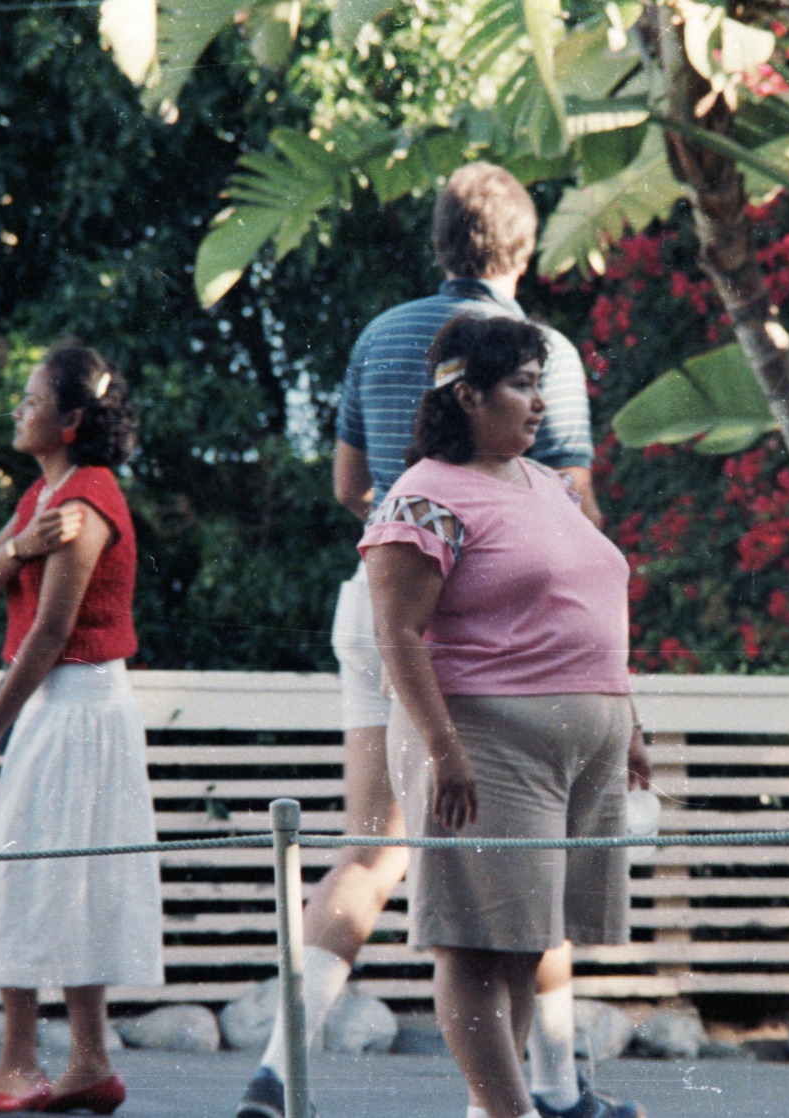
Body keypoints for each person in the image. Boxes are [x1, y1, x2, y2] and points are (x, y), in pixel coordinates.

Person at [237, 162, 623, 1118]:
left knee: (370, 849)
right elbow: (569, 502)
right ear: (523, 251)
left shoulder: (379, 335)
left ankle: (279, 1072)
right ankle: (550, 1092)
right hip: (480, 632)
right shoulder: (548, 352)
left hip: (373, 594)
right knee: (518, 858)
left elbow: (346, 486)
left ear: (441, 242)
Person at [362, 315, 649, 1118]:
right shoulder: (423, 495)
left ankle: (495, 1109)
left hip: (573, 750)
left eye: (537, 384)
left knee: (526, 943)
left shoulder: (545, 484)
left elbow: (585, 608)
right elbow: (397, 632)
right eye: (521, 385)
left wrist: (630, 721)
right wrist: (445, 748)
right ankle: (508, 1111)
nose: (538, 405)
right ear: (467, 394)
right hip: (484, 745)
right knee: (474, 942)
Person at [0, 343, 159, 1116]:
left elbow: (52, 632)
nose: (19, 410)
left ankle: (23, 1065)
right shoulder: (43, 499)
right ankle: (89, 1063)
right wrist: (20, 545)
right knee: (56, 875)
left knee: (29, 874)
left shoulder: (89, 499)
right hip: (57, 707)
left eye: (32, 400)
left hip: (80, 705)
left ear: (70, 421)